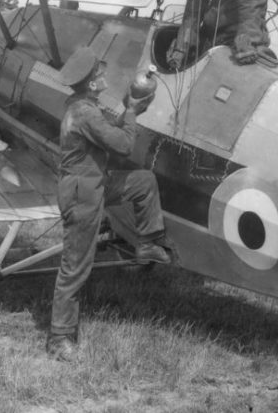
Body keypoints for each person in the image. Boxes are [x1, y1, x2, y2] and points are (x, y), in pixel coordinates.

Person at [46, 46, 171, 361]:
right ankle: (59, 339)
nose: (104, 77)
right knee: (75, 267)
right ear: (90, 83)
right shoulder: (85, 112)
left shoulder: (82, 107)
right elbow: (124, 145)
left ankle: (147, 244)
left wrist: (130, 108)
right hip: (82, 192)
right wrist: (131, 112)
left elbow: (106, 134)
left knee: (143, 182)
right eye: (99, 74)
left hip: (94, 183)